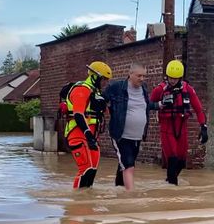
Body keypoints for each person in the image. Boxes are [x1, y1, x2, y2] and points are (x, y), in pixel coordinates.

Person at [150, 60, 208, 185]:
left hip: (182, 126)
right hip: (167, 127)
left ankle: (168, 183)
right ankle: (172, 194)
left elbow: (199, 109)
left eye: (175, 79)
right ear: (167, 76)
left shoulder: (188, 89)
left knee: (182, 160)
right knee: (173, 158)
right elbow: (148, 105)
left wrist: (203, 126)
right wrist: (160, 104)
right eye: (171, 78)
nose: (172, 81)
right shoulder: (159, 90)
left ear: (180, 78)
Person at [63, 61, 112, 189]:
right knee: (85, 169)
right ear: (95, 77)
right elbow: (78, 115)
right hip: (78, 134)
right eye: (104, 79)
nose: (105, 83)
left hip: (92, 138)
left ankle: (87, 203)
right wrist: (88, 134)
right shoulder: (81, 90)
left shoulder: (96, 93)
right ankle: (77, 203)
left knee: (92, 171)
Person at [104, 63, 151, 191]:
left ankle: (118, 189)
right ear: (130, 74)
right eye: (139, 76)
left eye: (144, 76)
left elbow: (146, 105)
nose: (142, 79)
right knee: (129, 166)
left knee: (124, 164)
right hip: (121, 135)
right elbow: (101, 99)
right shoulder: (117, 87)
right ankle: (131, 197)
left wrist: (159, 105)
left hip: (137, 137)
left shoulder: (144, 88)